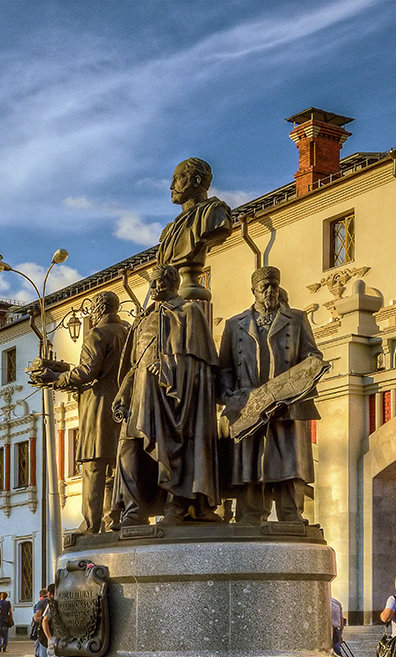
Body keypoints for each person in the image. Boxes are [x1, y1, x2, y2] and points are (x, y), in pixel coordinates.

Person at [111, 263, 220, 527]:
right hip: (139, 391)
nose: (153, 287)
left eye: (158, 282)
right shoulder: (144, 318)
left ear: (170, 284)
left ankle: (177, 505)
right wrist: (123, 393)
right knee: (128, 448)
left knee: (170, 449)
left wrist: (170, 369)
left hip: (170, 392)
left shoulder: (188, 311)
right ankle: (134, 509)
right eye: (152, 283)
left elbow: (198, 359)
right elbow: (134, 364)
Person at [218, 266, 322, 524]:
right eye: (264, 286)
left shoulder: (296, 319)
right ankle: (250, 514)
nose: (270, 291)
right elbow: (225, 368)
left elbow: (312, 354)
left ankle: (291, 514)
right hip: (249, 406)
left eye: (274, 286)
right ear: (253, 290)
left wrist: (305, 374)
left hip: (286, 404)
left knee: (288, 462)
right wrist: (231, 395)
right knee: (250, 464)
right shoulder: (235, 324)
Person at [29, 291, 130, 534]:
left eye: (93, 310)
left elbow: (87, 373)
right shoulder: (127, 332)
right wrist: (66, 370)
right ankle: (113, 519)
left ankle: (90, 525)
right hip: (123, 404)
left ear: (99, 309)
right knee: (116, 468)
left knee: (93, 467)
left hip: (98, 407)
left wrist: (56, 378)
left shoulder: (97, 334)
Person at [155, 157, 232, 300]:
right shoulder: (169, 231)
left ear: (196, 180)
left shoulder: (214, 215)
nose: (172, 186)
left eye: (178, 178)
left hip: (192, 293)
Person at [31, 587, 50, 657]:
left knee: (40, 656)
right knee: (40, 655)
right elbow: (36, 618)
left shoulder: (39, 603)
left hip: (42, 633)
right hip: (40, 633)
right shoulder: (41, 604)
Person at [40, 583, 57, 657]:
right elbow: (44, 621)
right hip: (51, 637)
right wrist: (49, 638)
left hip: (58, 636)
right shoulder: (51, 605)